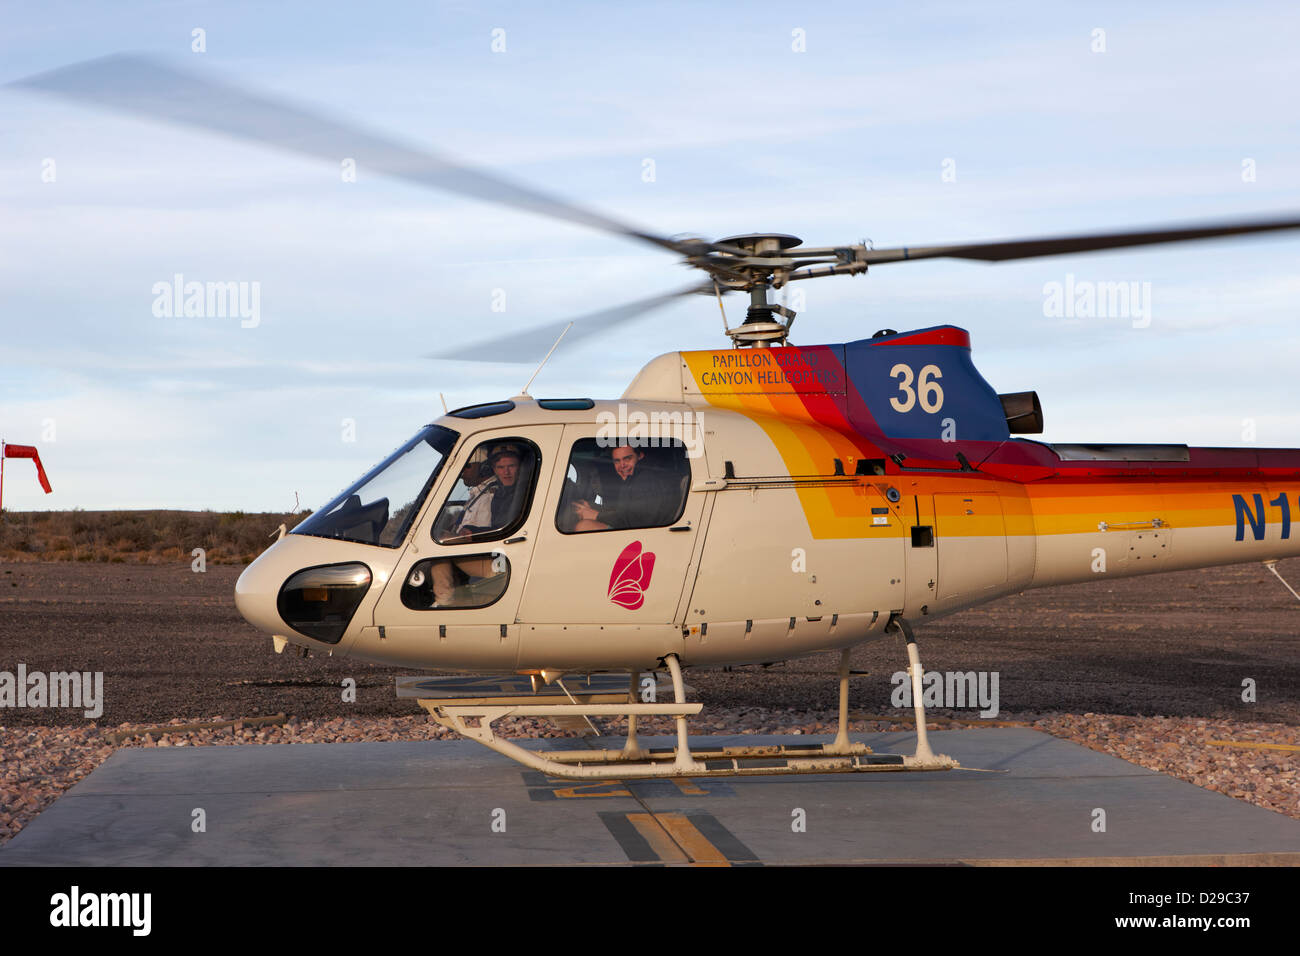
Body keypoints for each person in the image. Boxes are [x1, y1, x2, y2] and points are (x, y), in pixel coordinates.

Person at [431, 444, 529, 605]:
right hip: (498, 555)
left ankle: (443, 603)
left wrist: (473, 532)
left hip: (503, 561)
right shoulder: (501, 494)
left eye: (511, 466)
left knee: (439, 541)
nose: (506, 472)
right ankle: (444, 601)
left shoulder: (518, 494)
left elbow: (512, 530)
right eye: (501, 467)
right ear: (494, 469)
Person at [573, 443, 675, 531]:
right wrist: (591, 507)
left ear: (640, 456)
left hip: (645, 537)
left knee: (584, 526)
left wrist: (597, 516)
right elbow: (622, 511)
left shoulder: (647, 479)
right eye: (617, 461)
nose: (622, 465)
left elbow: (638, 519)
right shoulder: (631, 480)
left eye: (627, 459)